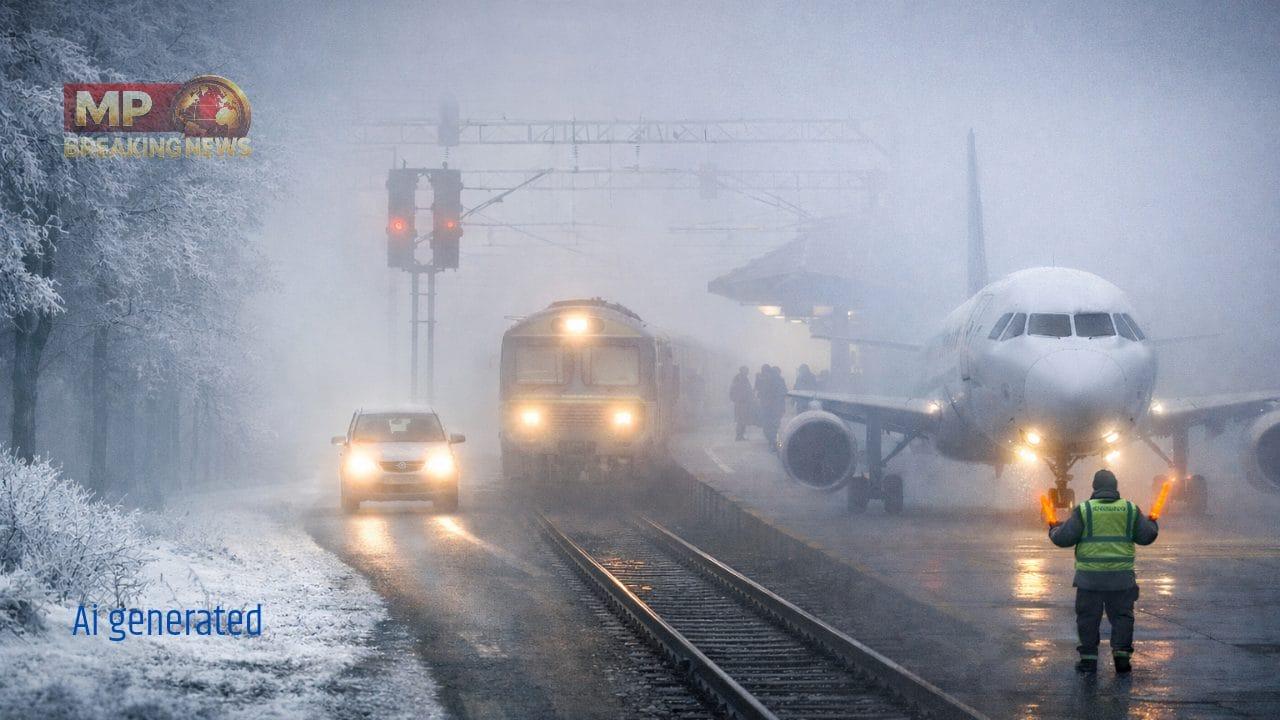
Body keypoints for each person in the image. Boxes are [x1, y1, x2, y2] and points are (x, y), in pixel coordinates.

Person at [1048, 469, 1159, 674]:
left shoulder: (1085, 510)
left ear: (1095, 487)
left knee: (1088, 618)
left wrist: (1053, 528)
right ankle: (1122, 658)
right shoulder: (1130, 509)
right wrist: (1152, 523)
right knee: (1122, 617)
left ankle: (1089, 660)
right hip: (1121, 578)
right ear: (1115, 487)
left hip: (1090, 580)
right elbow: (1147, 537)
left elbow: (1063, 539)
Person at [757, 365, 787, 451]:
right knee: (770, 427)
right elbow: (761, 393)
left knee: (773, 428)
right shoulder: (765, 380)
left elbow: (782, 394)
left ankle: (778, 445)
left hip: (774, 408)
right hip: (768, 408)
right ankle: (774, 443)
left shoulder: (776, 381)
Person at [729, 367, 753, 441]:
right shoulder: (739, 378)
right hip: (740, 402)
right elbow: (734, 389)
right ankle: (739, 436)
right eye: (746, 370)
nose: (747, 372)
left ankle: (740, 435)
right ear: (742, 371)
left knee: (743, 419)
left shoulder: (743, 378)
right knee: (741, 419)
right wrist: (736, 399)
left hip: (744, 402)